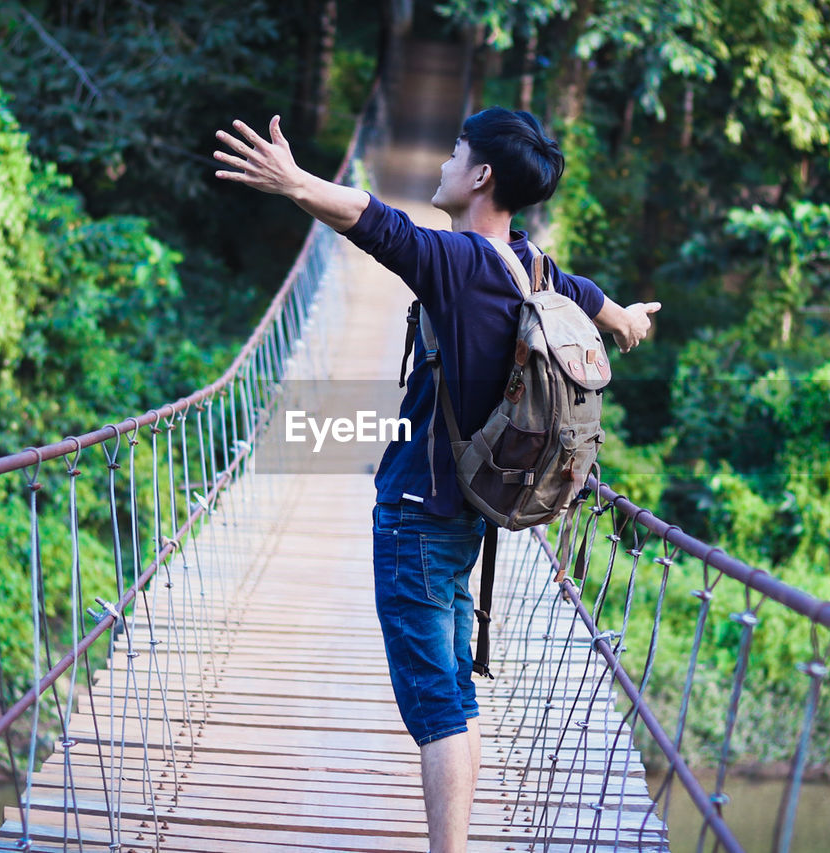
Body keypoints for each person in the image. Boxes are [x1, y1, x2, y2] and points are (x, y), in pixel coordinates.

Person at [214, 107, 660, 853]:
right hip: (470, 515)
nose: (444, 161)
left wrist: (293, 182)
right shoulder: (533, 267)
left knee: (437, 706)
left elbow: (374, 222)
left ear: (481, 174)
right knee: (453, 694)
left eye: (456, 151)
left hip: (420, 515)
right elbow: (596, 302)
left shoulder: (459, 265)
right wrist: (627, 319)